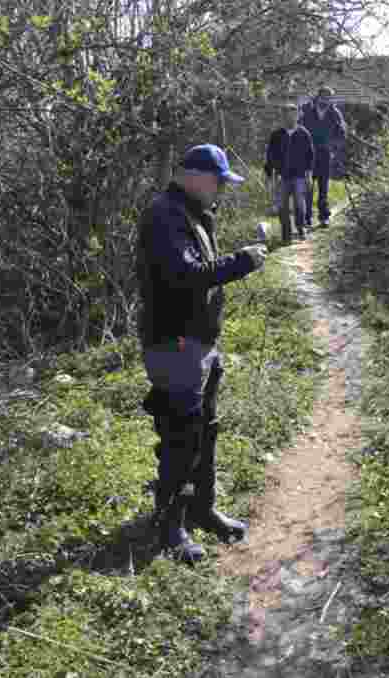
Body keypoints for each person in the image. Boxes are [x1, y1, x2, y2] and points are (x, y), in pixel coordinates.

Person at [135, 143, 269, 564]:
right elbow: (186, 277)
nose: (220, 191)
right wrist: (241, 262)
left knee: (203, 431)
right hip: (174, 344)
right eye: (218, 182)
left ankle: (202, 508)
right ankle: (170, 527)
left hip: (199, 343)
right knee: (180, 437)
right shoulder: (164, 216)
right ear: (193, 176)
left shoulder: (190, 213)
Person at [264, 103, 315, 243]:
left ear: (297, 116)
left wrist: (309, 175)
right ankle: (286, 235)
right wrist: (269, 177)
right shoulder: (276, 135)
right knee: (282, 206)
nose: (290, 118)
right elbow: (269, 156)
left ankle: (300, 229)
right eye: (286, 115)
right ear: (283, 117)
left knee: (299, 203)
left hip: (299, 175)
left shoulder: (304, 134)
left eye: (293, 114)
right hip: (282, 176)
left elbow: (310, 156)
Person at [300, 87, 347, 228]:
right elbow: (298, 129)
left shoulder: (335, 113)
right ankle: (306, 219)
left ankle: (323, 217)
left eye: (328, 98)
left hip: (325, 155)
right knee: (307, 188)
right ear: (318, 97)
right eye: (323, 97)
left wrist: (333, 148)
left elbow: (342, 134)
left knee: (323, 188)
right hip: (308, 154)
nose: (326, 100)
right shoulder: (307, 111)